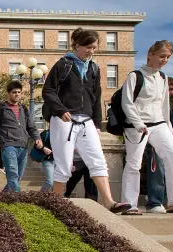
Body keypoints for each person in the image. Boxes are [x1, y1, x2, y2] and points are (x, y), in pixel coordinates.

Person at [42, 27, 130, 213]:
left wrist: (97, 123)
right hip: (64, 120)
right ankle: (56, 205)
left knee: (98, 161)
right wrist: (60, 110)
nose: (91, 51)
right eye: (88, 47)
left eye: (94, 47)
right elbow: (48, 91)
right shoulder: (63, 64)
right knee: (64, 166)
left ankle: (109, 202)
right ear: (77, 45)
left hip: (87, 121)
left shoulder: (94, 68)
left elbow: (96, 97)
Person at [120, 40, 173, 215]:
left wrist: (170, 130)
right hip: (136, 126)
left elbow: (164, 106)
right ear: (150, 54)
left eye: (168, 57)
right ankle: (129, 204)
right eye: (162, 56)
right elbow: (127, 103)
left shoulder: (163, 77)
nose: (164, 60)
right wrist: (138, 124)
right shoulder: (134, 76)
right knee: (134, 164)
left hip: (159, 124)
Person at [0, 81, 42, 192]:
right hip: (8, 146)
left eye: (19, 92)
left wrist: (37, 138)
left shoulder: (24, 109)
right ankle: (18, 201)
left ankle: (3, 198)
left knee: (16, 178)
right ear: (8, 93)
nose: (17, 94)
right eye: (14, 92)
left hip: (23, 146)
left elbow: (31, 127)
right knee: (13, 175)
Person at [144, 77, 173, 213]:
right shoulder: (151, 104)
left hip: (169, 140)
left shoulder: (168, 107)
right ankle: (154, 202)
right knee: (157, 170)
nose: (172, 93)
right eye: (170, 89)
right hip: (153, 140)